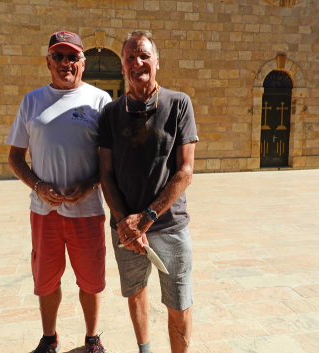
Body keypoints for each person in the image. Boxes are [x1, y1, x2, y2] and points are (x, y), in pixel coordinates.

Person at [6, 31, 111, 353]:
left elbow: (110, 159)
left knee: (91, 281)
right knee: (46, 280)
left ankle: (92, 339)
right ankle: (49, 338)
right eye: (59, 57)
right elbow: (15, 157)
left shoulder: (99, 101)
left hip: (87, 210)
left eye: (72, 57)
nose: (65, 63)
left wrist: (90, 184)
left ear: (83, 62)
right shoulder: (32, 101)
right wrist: (37, 186)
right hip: (44, 211)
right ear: (48, 62)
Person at [99, 30, 198, 353]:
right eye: (129, 57)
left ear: (157, 61)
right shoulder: (110, 114)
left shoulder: (179, 104)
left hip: (169, 225)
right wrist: (124, 223)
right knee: (135, 292)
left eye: (143, 55)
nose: (137, 62)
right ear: (123, 67)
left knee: (179, 301)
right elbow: (106, 173)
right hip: (126, 228)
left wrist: (147, 218)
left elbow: (185, 172)